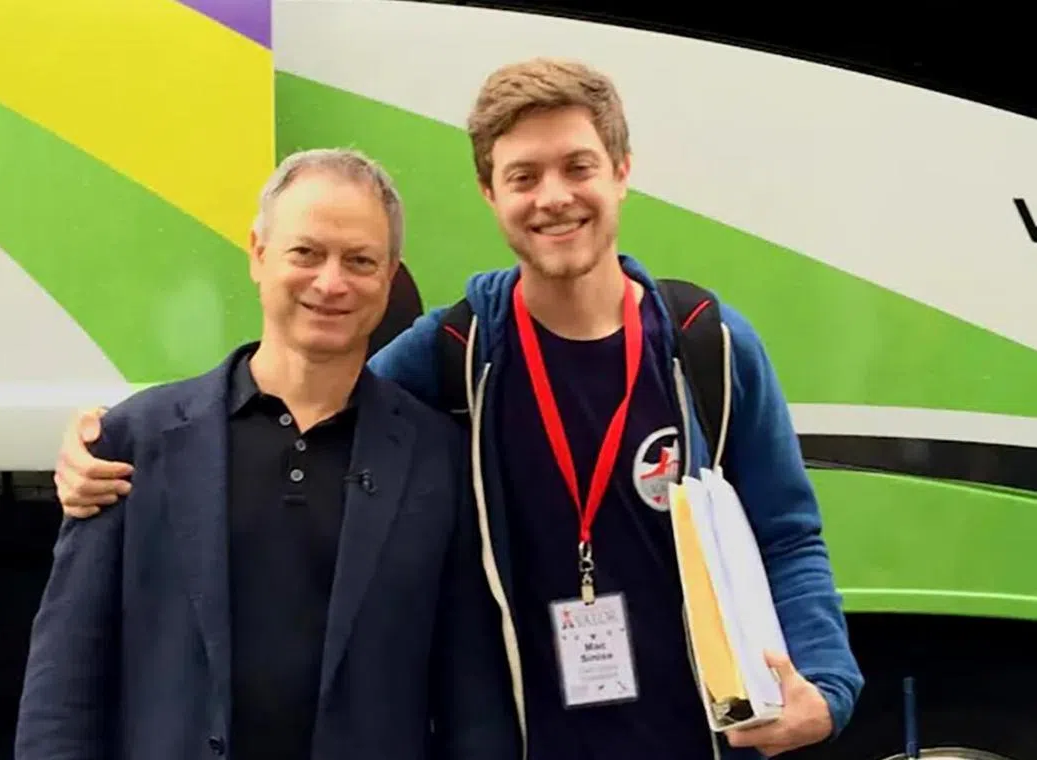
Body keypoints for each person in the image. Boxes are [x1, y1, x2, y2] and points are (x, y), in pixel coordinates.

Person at [50, 59, 864, 759]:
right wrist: (114, 447)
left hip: (696, 738)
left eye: (578, 166)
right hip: (523, 739)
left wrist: (826, 686)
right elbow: (301, 383)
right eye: (523, 176)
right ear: (488, 191)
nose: (554, 198)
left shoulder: (705, 348)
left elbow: (787, 533)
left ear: (621, 169)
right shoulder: (454, 354)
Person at [15, 149, 521, 760]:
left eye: (360, 260)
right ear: (258, 253)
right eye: (306, 253)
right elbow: (64, 691)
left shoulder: (438, 459)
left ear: (389, 278)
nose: (331, 283)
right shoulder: (130, 445)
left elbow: (474, 702)